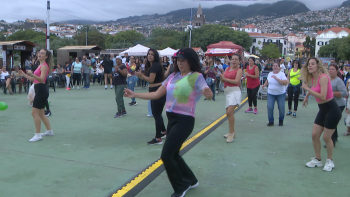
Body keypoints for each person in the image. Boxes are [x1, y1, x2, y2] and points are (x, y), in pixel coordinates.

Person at [124, 47, 212, 197]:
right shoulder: (173, 76)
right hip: (171, 118)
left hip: (185, 120)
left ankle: (181, 186)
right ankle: (191, 180)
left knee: (166, 155)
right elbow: (157, 94)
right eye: (178, 60)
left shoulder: (196, 76)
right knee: (174, 153)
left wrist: (208, 93)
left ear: (190, 61)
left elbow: (207, 92)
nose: (180, 62)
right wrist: (135, 94)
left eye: (183, 60)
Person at [301, 58, 341, 172]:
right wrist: (306, 96)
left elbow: (323, 96)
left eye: (312, 64)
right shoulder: (313, 78)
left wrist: (307, 89)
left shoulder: (323, 78)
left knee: (326, 137)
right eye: (309, 64)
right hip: (322, 110)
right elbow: (315, 89)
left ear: (318, 66)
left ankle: (330, 161)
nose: (310, 66)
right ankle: (318, 160)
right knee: (314, 135)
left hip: (332, 110)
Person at [19, 49, 54, 142]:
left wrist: (32, 74)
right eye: (39, 53)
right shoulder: (40, 66)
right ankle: (49, 131)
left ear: (46, 56)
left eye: (42, 53)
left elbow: (42, 79)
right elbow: (34, 80)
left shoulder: (44, 66)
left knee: (34, 113)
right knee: (41, 114)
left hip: (42, 90)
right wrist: (24, 75)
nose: (39, 54)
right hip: (39, 89)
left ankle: (38, 135)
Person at [136, 49, 167, 145]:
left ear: (155, 56)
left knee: (156, 114)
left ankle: (158, 138)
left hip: (157, 91)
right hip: (156, 91)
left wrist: (141, 76)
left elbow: (151, 80)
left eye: (152, 55)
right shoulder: (153, 65)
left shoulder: (155, 65)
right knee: (156, 113)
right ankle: (164, 132)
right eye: (148, 54)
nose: (149, 56)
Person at [220, 54, 243, 143]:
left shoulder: (239, 70)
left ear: (239, 61)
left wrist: (225, 78)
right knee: (228, 113)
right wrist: (222, 78)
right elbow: (223, 81)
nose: (233, 61)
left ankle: (230, 133)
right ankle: (233, 131)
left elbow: (236, 81)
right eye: (232, 59)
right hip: (227, 91)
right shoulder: (227, 69)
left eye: (236, 59)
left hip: (234, 91)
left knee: (230, 112)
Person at [326, 64, 347, 147]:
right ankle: (335, 136)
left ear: (337, 70)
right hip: (330, 104)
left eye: (333, 69)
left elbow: (344, 93)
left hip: (339, 104)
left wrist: (332, 93)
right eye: (329, 69)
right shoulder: (328, 79)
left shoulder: (338, 81)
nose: (331, 71)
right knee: (332, 121)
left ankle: (332, 140)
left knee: (331, 121)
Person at [262, 61, 288, 126]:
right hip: (271, 93)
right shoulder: (270, 73)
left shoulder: (282, 74)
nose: (275, 67)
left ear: (279, 67)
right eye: (274, 66)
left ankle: (281, 120)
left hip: (280, 93)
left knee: (281, 107)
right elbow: (268, 80)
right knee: (270, 107)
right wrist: (264, 85)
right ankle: (271, 121)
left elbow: (285, 83)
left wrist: (276, 78)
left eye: (277, 66)